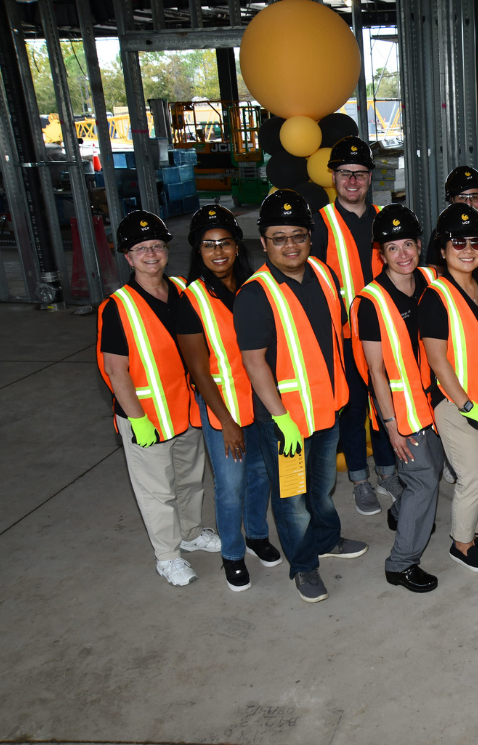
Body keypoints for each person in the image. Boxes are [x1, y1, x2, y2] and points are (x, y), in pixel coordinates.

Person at [235, 190, 368, 603]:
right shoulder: (255, 294)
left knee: (323, 485)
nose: (290, 245)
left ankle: (327, 539)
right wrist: (281, 418)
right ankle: (304, 565)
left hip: (326, 411)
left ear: (310, 237)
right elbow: (255, 364)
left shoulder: (324, 274)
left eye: (297, 236)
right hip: (286, 423)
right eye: (279, 238)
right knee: (292, 498)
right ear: (264, 241)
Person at [97, 211, 219, 586]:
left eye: (157, 246)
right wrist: (136, 419)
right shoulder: (118, 306)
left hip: (183, 409)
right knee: (157, 491)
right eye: (141, 248)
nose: (151, 254)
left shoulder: (182, 290)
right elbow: (116, 370)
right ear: (128, 257)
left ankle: (191, 532)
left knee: (190, 479)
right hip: (146, 416)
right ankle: (167, 556)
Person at [175, 205, 282, 591]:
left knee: (260, 476)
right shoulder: (192, 299)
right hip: (224, 406)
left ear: (237, 246)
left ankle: (255, 535)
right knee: (231, 484)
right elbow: (200, 372)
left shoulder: (256, 287)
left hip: (260, 401)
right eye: (208, 245)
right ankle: (232, 555)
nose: (217, 252)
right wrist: (228, 423)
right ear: (198, 251)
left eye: (224, 243)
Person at [311, 135, 403, 517]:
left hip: (382, 333)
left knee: (386, 403)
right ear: (333, 176)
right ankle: (359, 481)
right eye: (344, 173)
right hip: (341, 339)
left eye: (359, 173)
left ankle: (386, 472)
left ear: (370, 177)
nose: (352, 181)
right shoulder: (319, 223)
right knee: (350, 411)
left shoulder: (386, 220)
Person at [420, 204, 478, 574]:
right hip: (457, 404)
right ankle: (460, 545)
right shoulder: (435, 297)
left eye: (476, 241)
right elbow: (437, 360)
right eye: (457, 242)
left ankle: (473, 533)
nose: (468, 249)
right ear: (442, 249)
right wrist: (465, 404)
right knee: (472, 477)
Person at [356, 205, 446, 593]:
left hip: (436, 403)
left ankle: (402, 511)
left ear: (419, 245)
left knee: (431, 474)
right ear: (382, 254)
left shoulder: (430, 280)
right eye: (393, 248)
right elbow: (375, 370)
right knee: (425, 483)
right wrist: (389, 426)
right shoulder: (370, 302)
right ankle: (401, 563)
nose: (403, 254)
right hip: (404, 413)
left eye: (408, 244)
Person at [426, 166, 478, 266]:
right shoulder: (442, 232)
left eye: (474, 197)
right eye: (462, 197)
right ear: (452, 201)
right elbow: (435, 272)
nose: (468, 203)